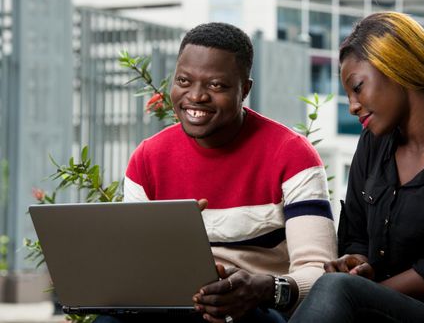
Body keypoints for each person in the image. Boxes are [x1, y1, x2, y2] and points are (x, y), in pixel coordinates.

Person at [94, 22, 337, 323]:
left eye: (216, 85)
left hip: (254, 309)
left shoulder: (292, 155)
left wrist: (265, 288)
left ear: (244, 89)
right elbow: (135, 265)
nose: (195, 96)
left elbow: (319, 272)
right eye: (184, 80)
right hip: (170, 308)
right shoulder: (148, 158)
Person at [289, 12, 424, 323]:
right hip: (379, 309)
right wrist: (358, 263)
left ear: (396, 70)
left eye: (358, 88)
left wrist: (357, 293)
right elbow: (357, 236)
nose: (352, 105)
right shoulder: (373, 145)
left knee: (335, 290)